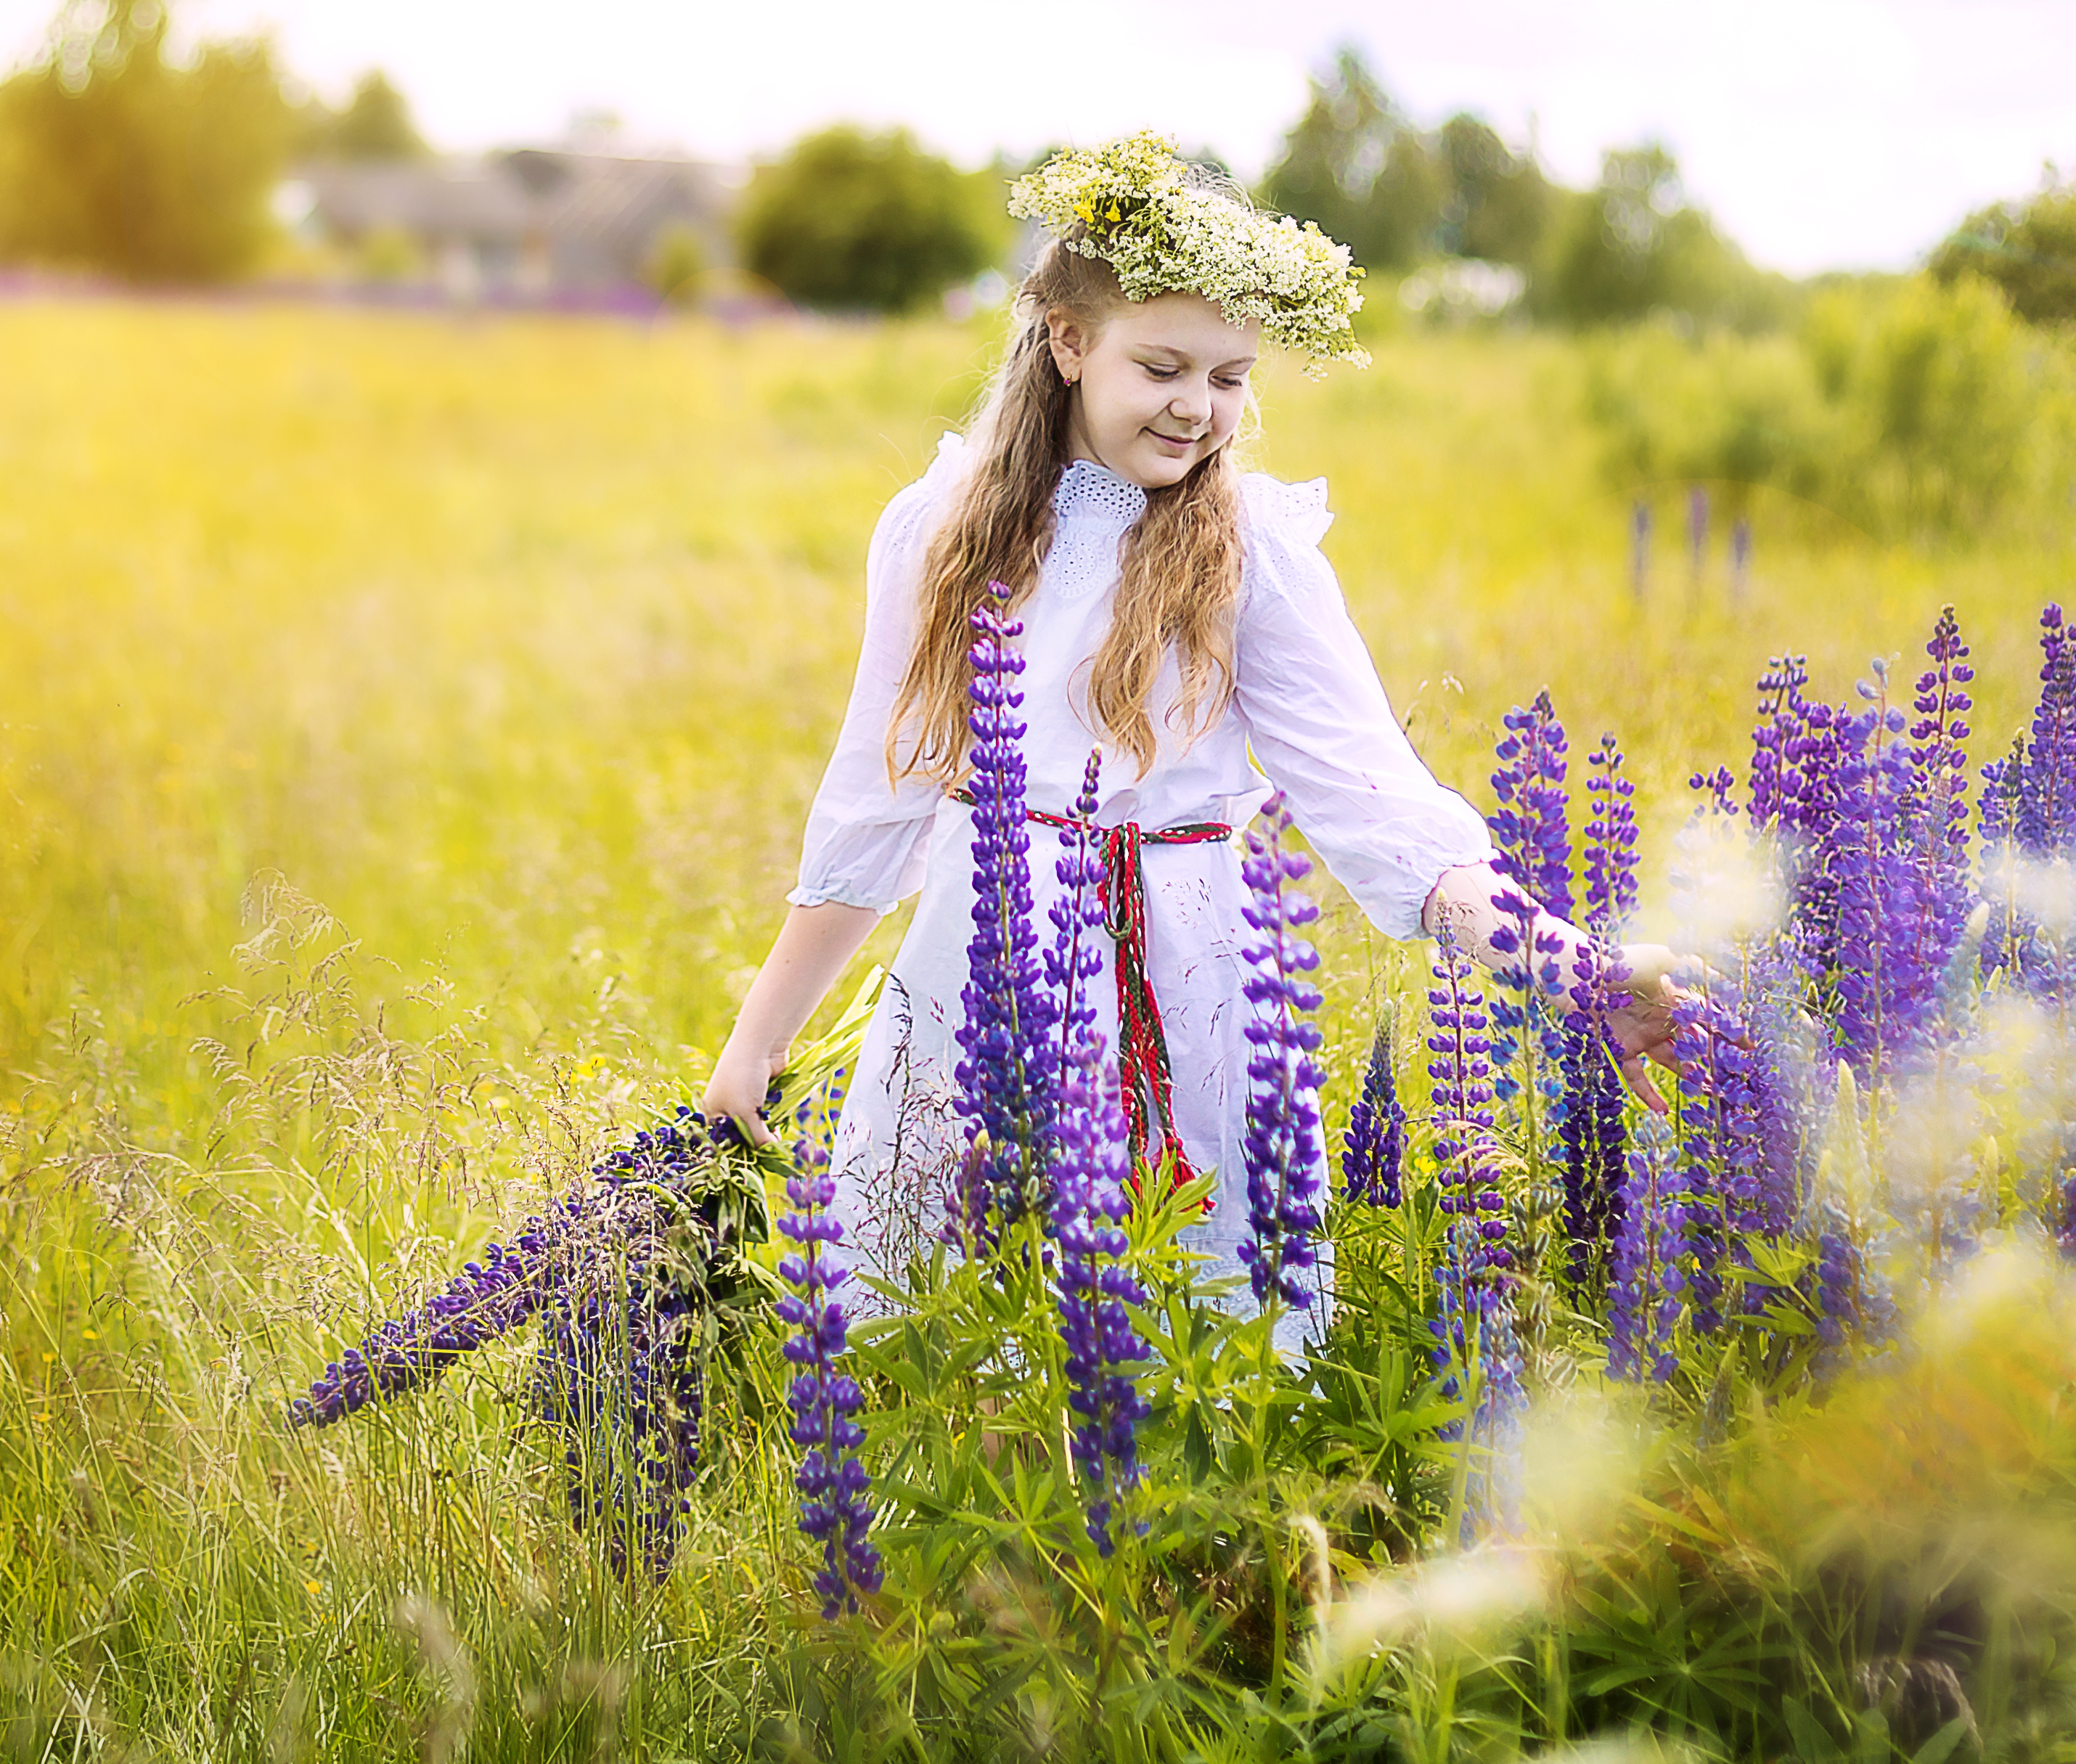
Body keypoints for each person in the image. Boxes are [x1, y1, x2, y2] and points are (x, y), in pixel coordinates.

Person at [700, 133, 1697, 1300]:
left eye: (1230, 379)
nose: (1197, 410)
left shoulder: (1252, 554)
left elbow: (1378, 807)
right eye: (1163, 368)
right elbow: (879, 806)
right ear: (1068, 343)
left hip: (1195, 985)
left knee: (1190, 1328)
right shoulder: (939, 531)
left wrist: (1572, 971)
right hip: (985, 969)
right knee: (957, 1323)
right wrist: (758, 1042)